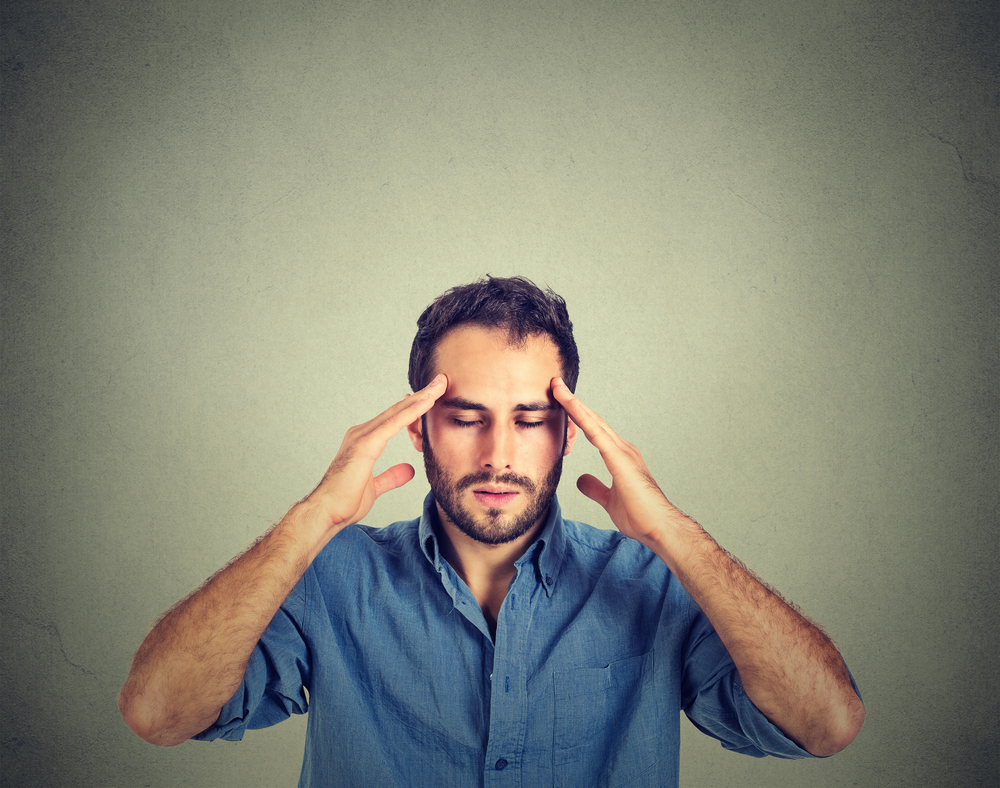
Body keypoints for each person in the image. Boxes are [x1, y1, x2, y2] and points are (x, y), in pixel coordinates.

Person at [119, 276, 864, 787]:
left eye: (531, 420)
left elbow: (826, 724)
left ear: (570, 433)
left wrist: (671, 531)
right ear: (417, 429)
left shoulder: (650, 582)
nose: (498, 455)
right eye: (466, 417)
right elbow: (159, 713)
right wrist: (313, 519)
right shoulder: (331, 576)